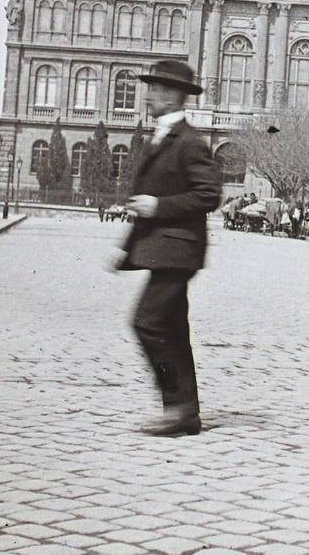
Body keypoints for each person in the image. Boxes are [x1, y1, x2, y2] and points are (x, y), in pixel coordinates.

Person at [116, 59, 222, 437]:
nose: (150, 96)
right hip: (164, 248)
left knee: (147, 322)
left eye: (159, 89)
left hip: (179, 251)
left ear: (176, 96)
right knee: (173, 329)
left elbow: (209, 195)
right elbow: (151, 195)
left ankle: (175, 407)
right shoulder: (160, 136)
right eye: (152, 88)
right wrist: (126, 244)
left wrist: (158, 207)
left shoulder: (191, 141)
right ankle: (184, 412)